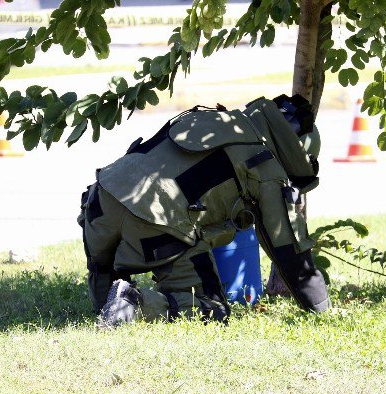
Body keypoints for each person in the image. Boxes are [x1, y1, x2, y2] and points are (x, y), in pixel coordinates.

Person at [77, 94, 330, 327]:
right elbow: (289, 250)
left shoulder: (217, 118)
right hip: (155, 223)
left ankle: (106, 306)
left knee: (103, 272)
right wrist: (322, 312)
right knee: (211, 311)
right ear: (299, 156)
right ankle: (134, 303)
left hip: (100, 203)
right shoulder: (267, 167)